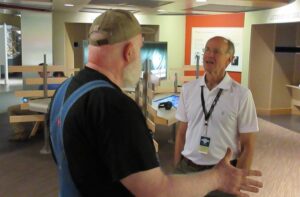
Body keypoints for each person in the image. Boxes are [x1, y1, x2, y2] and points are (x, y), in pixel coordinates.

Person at [49, 10, 263, 197]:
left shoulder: (65, 89)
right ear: (129, 52)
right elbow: (157, 191)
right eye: (140, 49)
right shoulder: (116, 107)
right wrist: (217, 179)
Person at [174, 36, 259, 196]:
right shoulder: (188, 89)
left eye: (216, 51)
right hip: (187, 169)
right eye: (207, 49)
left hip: (222, 172)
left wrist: (237, 183)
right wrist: (177, 165)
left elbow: (248, 145)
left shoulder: (242, 95)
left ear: (229, 60)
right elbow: (181, 133)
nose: (209, 55)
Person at [8, 64, 63, 141]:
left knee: (11, 109)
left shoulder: (43, 85)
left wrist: (29, 100)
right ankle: (39, 126)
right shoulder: (57, 82)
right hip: (54, 110)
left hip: (42, 109)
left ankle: (20, 133)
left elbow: (38, 101)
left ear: (39, 72)